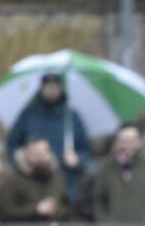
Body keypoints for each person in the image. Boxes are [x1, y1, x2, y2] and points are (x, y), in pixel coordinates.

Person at [6, 73, 90, 205]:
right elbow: (12, 146)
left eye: (54, 86)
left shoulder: (72, 118)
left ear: (60, 88)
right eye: (47, 86)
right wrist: (23, 158)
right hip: (32, 188)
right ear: (41, 89)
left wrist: (77, 159)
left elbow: (86, 150)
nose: (51, 90)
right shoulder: (28, 116)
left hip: (67, 185)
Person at [93, 122, 145, 224]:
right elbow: (97, 199)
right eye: (122, 140)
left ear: (139, 142)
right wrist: (104, 221)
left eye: (130, 141)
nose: (125, 145)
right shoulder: (106, 169)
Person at [0, 136, 69, 222]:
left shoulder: (57, 178)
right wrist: (35, 210)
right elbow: (5, 211)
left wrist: (56, 210)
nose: (41, 157)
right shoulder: (13, 179)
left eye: (45, 152)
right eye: (37, 153)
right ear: (26, 154)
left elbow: (66, 206)